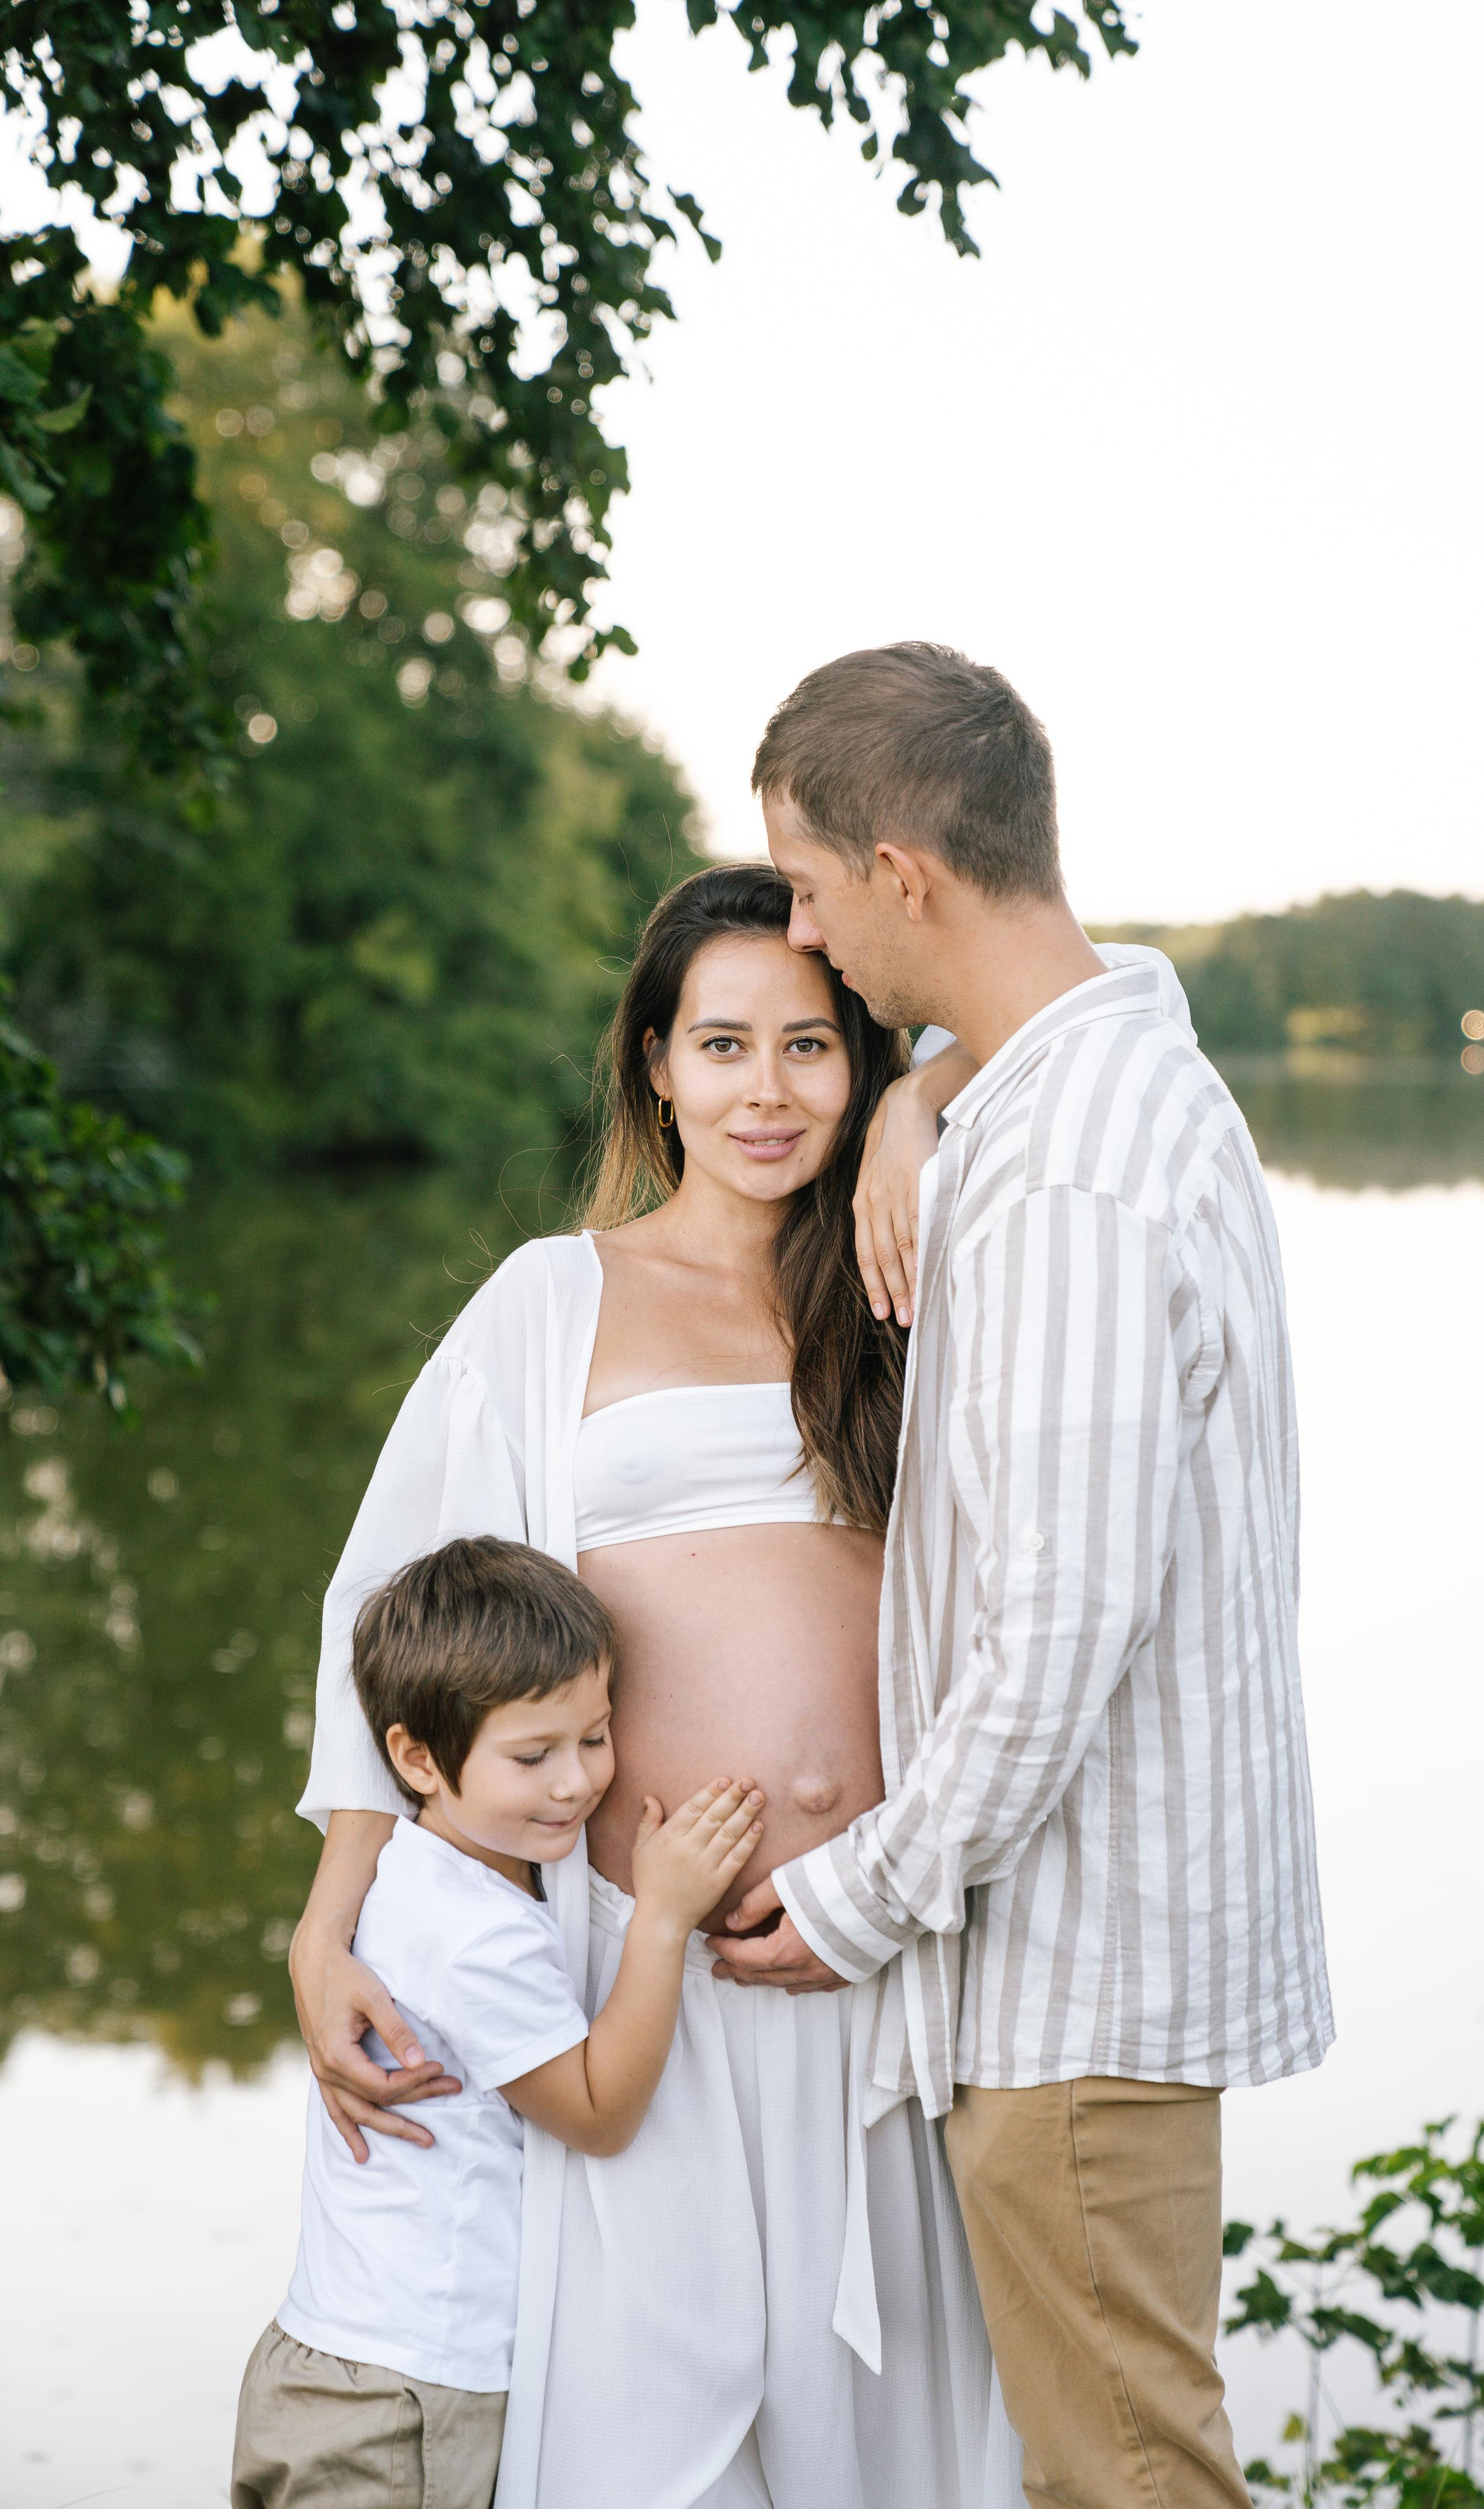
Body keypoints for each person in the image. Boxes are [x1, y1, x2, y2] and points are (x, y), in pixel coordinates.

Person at [287, 863, 1025, 2508]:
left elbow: (1108, 984)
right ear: (654, 1065)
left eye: (814, 1049)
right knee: (651, 2445)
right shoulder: (555, 1299)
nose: (766, 1092)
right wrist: (327, 1923)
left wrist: (922, 1111)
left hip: (870, 1949)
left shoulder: (915, 1285)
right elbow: (384, 1608)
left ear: (862, 1060)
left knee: (884, 2430)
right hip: (639, 1969)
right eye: (721, 1046)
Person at [711, 642, 1334, 2509]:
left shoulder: (1063, 1174)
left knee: (1131, 2483)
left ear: (903, 872)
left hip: (1079, 1982)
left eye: (813, 891)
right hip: (1104, 1968)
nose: (808, 941)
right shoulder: (1111, 1079)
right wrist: (916, 1089)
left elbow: (1060, 1624)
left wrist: (859, 1899)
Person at [233, 1535, 764, 2508]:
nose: (574, 1783)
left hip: (334, 2358)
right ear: (416, 1757)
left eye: (594, 1738)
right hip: (409, 2399)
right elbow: (597, 2113)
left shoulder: (418, 1870)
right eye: (533, 1755)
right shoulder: (473, 1931)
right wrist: (663, 1916)